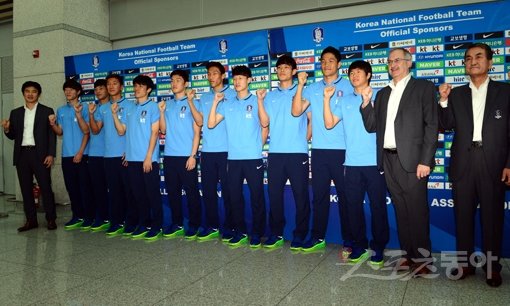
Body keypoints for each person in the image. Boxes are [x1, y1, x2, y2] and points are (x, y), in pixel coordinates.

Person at [360, 47, 438, 275]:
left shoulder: (423, 88)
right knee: (401, 212)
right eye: (389, 61)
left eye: (397, 60)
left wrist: (426, 160)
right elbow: (372, 126)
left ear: (408, 63)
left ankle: (423, 260)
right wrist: (366, 104)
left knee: (417, 212)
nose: (392, 64)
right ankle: (408, 255)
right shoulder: (383, 93)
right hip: (388, 161)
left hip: (414, 162)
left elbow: (432, 126)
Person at [438, 42, 510, 287]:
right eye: (468, 58)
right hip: (463, 163)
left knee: (492, 219)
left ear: (490, 62)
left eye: (479, 57)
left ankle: (492, 267)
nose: (473, 61)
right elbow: (446, 125)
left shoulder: (506, 92)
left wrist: (509, 164)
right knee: (463, 217)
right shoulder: (457, 93)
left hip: (494, 163)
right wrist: (444, 101)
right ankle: (464, 263)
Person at [323, 60, 389, 266]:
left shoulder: (381, 96)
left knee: (378, 207)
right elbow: (329, 123)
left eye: (359, 72)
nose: (354, 76)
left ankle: (378, 248)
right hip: (351, 164)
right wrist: (326, 100)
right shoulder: (344, 100)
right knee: (353, 208)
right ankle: (358, 246)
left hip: (375, 164)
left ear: (369, 75)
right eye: (351, 73)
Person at [291, 46, 353, 252]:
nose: (326, 64)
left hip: (344, 151)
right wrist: (300, 85)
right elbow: (296, 111)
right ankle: (317, 237)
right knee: (319, 196)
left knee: (346, 197)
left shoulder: (350, 85)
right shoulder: (312, 88)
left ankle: (350, 239)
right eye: (323, 61)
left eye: (331, 61)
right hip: (318, 151)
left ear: (339, 64)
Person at [256, 55, 311, 249]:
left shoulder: (303, 91)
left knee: (301, 196)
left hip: (297, 153)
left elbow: (311, 119)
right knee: (274, 195)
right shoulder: (269, 96)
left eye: (286, 67)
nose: (282, 70)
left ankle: (300, 234)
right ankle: (276, 233)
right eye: (279, 68)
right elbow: (264, 122)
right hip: (276, 153)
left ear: (294, 71)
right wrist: (260, 102)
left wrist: (303, 139)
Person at [208, 65, 266, 247]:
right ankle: (239, 232)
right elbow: (210, 124)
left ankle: (257, 233)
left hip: (253, 158)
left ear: (249, 80)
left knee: (257, 197)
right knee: (234, 197)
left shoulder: (257, 100)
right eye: (235, 78)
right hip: (232, 159)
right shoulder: (228, 103)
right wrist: (215, 102)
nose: (237, 81)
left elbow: (265, 123)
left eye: (241, 78)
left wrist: (260, 102)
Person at [112, 74, 162, 240]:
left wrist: (148, 157)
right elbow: (122, 131)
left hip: (148, 160)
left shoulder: (153, 107)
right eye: (135, 86)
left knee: (152, 194)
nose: (136, 89)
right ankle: (144, 223)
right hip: (132, 159)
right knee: (138, 194)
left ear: (148, 89)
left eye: (140, 86)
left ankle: (157, 225)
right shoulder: (130, 108)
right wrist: (114, 115)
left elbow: (155, 132)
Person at [2, 81, 57, 231]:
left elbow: (51, 135)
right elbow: (13, 135)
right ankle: (31, 220)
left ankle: (51, 219)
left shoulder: (47, 111)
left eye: (34, 91)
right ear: (23, 93)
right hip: (22, 155)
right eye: (27, 91)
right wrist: (7, 129)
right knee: (26, 189)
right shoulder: (16, 113)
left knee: (45, 187)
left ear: (38, 94)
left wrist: (51, 154)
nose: (30, 94)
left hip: (40, 155)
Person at [193, 62, 237, 241]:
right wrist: (190, 102)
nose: (211, 77)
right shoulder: (203, 97)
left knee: (229, 191)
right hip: (208, 151)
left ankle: (231, 226)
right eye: (209, 74)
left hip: (228, 151)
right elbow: (200, 121)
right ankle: (211, 225)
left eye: (214, 73)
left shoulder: (233, 94)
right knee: (208, 191)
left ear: (223, 75)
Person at [89, 74, 137, 236]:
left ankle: (131, 222)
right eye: (108, 84)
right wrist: (90, 114)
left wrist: (129, 151)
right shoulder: (102, 108)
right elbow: (95, 130)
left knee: (128, 191)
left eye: (114, 83)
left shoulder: (131, 105)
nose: (111, 87)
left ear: (122, 87)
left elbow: (133, 131)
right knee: (114, 191)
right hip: (108, 157)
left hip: (125, 156)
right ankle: (115, 221)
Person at [159, 70, 202, 239]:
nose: (174, 83)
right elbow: (163, 130)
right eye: (172, 80)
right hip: (170, 156)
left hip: (187, 156)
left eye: (178, 80)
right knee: (173, 192)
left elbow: (197, 131)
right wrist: (161, 112)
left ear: (185, 84)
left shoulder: (193, 103)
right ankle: (176, 224)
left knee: (191, 193)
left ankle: (194, 225)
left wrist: (192, 156)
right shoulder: (167, 105)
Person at [49, 79, 92, 230]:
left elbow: (87, 132)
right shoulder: (61, 110)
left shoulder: (85, 108)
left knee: (85, 187)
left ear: (78, 92)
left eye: (71, 89)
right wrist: (53, 124)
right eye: (66, 89)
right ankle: (77, 216)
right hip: (66, 155)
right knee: (71, 187)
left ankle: (88, 217)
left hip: (83, 154)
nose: (68, 92)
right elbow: (60, 132)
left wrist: (80, 152)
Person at [82, 79, 110, 231]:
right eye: (96, 89)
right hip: (94, 154)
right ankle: (101, 216)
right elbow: (91, 130)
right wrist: (90, 115)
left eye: (101, 88)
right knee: (97, 188)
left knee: (113, 189)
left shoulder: (113, 107)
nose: (98, 91)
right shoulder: (93, 108)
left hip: (109, 155)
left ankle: (113, 217)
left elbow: (96, 130)